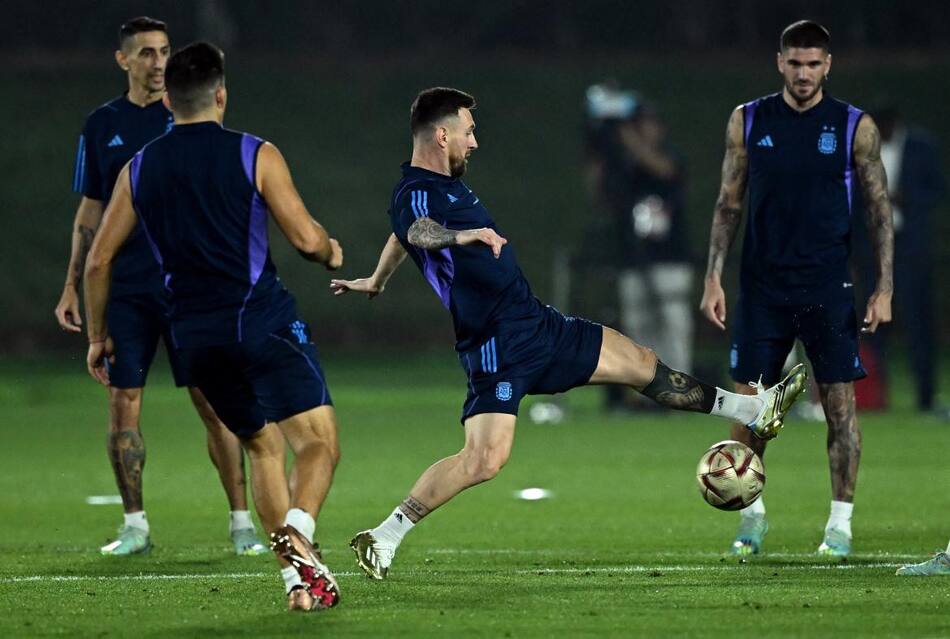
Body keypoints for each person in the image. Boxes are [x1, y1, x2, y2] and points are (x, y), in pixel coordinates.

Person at [330, 87, 808, 580]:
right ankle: (384, 536)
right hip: (496, 346)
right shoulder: (416, 194)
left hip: (538, 324)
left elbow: (399, 232)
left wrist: (378, 279)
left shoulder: (440, 186)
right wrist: (462, 236)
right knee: (483, 461)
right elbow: (417, 232)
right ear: (442, 134)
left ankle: (754, 408)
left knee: (642, 364)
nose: (474, 143)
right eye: (469, 132)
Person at [83, 42, 343, 612]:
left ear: (169, 100)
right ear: (221, 95)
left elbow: (98, 259)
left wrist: (99, 336)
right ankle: (298, 536)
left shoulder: (140, 166)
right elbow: (305, 239)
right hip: (261, 323)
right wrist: (331, 252)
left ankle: (296, 584)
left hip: (194, 339)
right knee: (318, 442)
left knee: (262, 447)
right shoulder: (256, 154)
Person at [52, 16, 265, 557]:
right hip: (127, 288)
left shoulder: (188, 119)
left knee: (212, 402)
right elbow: (91, 210)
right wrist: (71, 284)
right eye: (145, 53)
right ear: (123, 60)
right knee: (123, 401)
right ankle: (136, 527)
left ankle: (242, 524)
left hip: (188, 286)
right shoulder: (103, 125)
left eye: (165, 51)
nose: (158, 62)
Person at [699, 20, 894, 558]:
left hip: (829, 287)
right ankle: (751, 518)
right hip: (762, 288)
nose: (803, 73)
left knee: (840, 410)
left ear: (827, 65)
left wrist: (885, 286)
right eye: (794, 63)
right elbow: (728, 202)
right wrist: (714, 274)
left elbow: (879, 211)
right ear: (779, 62)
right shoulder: (749, 120)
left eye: (813, 64)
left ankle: (839, 527)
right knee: (750, 409)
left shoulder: (854, 127)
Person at [584, 86, 694, 410]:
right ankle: (646, 394)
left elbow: (663, 169)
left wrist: (626, 137)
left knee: (673, 323)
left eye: (645, 124)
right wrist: (598, 150)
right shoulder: (622, 164)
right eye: (636, 125)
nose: (640, 130)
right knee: (638, 327)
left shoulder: (670, 156)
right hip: (632, 257)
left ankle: (683, 391)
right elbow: (599, 197)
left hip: (669, 258)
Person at [853, 104, 945, 414]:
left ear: (895, 124)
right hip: (874, 251)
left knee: (919, 322)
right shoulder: (862, 149)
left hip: (910, 249)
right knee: (872, 326)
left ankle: (926, 397)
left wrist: (906, 198)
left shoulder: (922, 147)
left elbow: (938, 190)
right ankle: (876, 396)